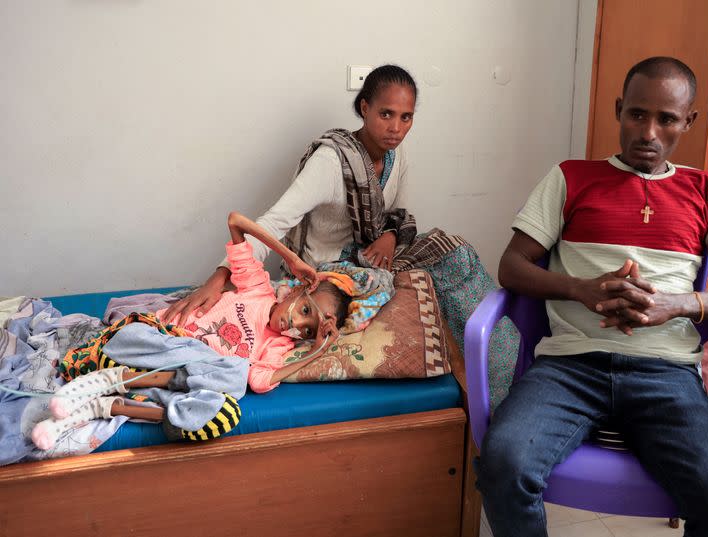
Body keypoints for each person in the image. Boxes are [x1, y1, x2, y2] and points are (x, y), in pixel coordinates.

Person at [476, 57, 708, 537]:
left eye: (667, 119)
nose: (649, 132)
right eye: (637, 114)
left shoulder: (707, 191)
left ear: (687, 122)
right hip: (571, 366)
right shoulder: (570, 178)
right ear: (619, 110)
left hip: (666, 375)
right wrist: (580, 290)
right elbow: (512, 266)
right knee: (503, 465)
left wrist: (677, 304)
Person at [163, 64, 520, 409]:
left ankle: (504, 363)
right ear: (364, 108)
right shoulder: (332, 162)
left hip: (371, 259)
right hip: (328, 273)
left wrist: (391, 237)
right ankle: (490, 378)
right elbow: (275, 221)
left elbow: (399, 214)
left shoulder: (398, 155)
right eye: (386, 114)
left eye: (405, 117)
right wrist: (219, 277)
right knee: (445, 265)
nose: (395, 128)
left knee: (456, 254)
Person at [31, 212, 347, 450]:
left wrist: (317, 350)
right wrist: (291, 258)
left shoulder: (277, 347)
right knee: (226, 371)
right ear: (295, 292)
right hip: (152, 341)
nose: (297, 326)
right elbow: (236, 221)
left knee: (227, 399)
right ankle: (106, 385)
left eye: (307, 332)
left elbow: (259, 381)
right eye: (306, 311)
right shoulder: (257, 288)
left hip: (177, 378)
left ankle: (97, 403)